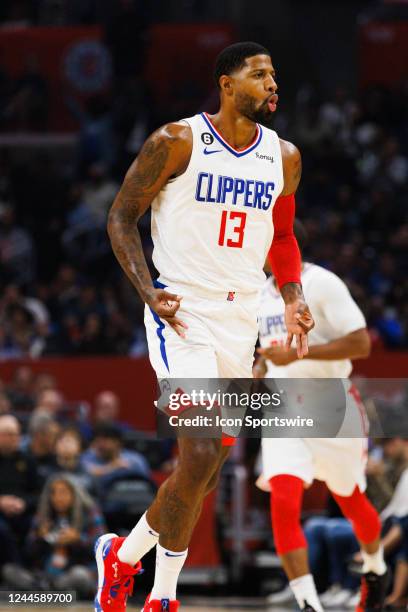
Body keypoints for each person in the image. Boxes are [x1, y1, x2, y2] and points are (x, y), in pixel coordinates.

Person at [98, 41, 314, 612]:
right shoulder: (177, 141)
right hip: (184, 311)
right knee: (196, 457)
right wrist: (149, 292)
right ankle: (162, 597)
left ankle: (120, 559)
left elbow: (284, 238)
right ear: (226, 83)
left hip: (242, 317)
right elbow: (121, 217)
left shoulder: (284, 156)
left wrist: (291, 296)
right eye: (260, 74)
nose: (272, 84)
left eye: (275, 75)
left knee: (208, 472)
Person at [254, 221, 388, 612]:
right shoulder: (260, 294)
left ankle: (375, 568)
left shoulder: (322, 283)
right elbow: (272, 353)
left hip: (333, 405)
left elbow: (362, 343)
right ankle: (308, 603)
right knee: (283, 499)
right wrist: (260, 371)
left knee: (350, 498)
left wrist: (301, 354)